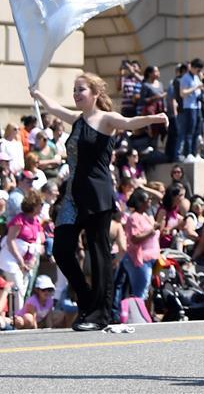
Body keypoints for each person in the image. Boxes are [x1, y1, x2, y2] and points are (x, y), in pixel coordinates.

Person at [30, 73, 167, 331]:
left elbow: (128, 122)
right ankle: (86, 300)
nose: (76, 93)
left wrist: (156, 118)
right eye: (74, 89)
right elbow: (55, 108)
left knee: (99, 253)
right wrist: (37, 94)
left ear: (94, 93)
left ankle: (100, 314)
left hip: (97, 194)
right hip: (73, 196)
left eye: (81, 89)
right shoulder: (77, 120)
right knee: (61, 249)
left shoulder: (105, 119)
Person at [123, 189, 161, 301]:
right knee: (140, 293)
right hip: (140, 260)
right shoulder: (134, 217)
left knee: (147, 292)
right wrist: (151, 231)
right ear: (140, 202)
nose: (149, 202)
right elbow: (134, 238)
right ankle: (137, 316)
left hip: (152, 259)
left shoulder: (146, 216)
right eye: (147, 200)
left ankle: (145, 315)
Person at [178, 58, 204, 162]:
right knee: (189, 131)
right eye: (198, 70)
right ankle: (187, 153)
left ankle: (195, 153)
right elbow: (182, 93)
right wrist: (195, 88)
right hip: (189, 107)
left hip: (197, 106)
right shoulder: (185, 78)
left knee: (197, 131)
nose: (199, 72)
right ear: (193, 67)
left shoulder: (196, 77)